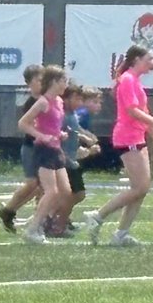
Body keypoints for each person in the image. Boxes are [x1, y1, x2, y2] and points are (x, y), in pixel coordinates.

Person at [84, 45, 153, 247]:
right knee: (141, 187)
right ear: (136, 59)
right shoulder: (127, 79)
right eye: (149, 59)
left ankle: (121, 234)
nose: (152, 63)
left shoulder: (136, 82)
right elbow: (133, 111)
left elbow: (145, 116)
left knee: (141, 188)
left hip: (137, 137)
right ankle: (98, 215)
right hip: (127, 138)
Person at [17, 66, 73, 244]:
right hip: (43, 150)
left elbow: (53, 126)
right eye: (63, 80)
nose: (66, 84)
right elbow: (23, 124)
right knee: (51, 192)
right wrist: (42, 136)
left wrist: (59, 134)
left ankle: (40, 221)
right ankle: (33, 229)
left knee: (65, 191)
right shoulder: (43, 102)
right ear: (54, 82)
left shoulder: (59, 102)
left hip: (56, 149)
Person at [47, 85, 102, 237]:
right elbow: (62, 134)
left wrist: (86, 137)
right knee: (73, 194)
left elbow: (75, 131)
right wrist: (85, 150)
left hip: (71, 160)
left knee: (74, 194)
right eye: (77, 98)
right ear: (66, 99)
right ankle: (56, 224)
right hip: (66, 160)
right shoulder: (68, 115)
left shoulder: (72, 114)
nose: (80, 102)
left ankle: (56, 222)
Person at [0, 64, 44, 233]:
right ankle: (8, 209)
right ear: (29, 83)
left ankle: (38, 221)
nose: (42, 83)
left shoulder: (47, 100)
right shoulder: (32, 103)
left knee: (43, 186)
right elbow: (28, 125)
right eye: (38, 80)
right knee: (32, 183)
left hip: (44, 148)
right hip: (31, 147)